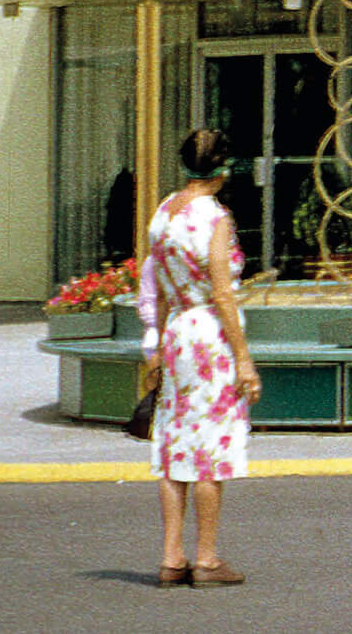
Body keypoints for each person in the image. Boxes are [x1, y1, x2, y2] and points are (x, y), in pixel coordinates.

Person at [137, 126, 261, 588]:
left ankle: (172, 556)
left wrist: (156, 344)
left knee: (174, 447)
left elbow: (159, 287)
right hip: (210, 335)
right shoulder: (216, 217)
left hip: (177, 334)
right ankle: (206, 558)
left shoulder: (163, 212)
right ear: (223, 170)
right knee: (211, 447)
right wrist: (244, 359)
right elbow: (223, 295)